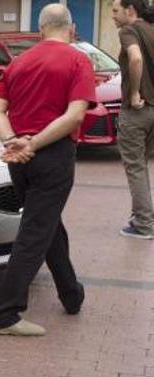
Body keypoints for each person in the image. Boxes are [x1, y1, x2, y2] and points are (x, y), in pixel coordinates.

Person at [0, 4, 94, 337]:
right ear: (71, 28)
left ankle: (70, 293)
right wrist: (34, 143)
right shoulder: (78, 60)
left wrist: (14, 140)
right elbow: (75, 115)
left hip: (22, 161)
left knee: (45, 224)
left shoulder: (19, 62)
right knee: (35, 232)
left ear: (41, 28)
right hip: (53, 155)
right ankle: (4, 314)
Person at [112, 0, 154, 239]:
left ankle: (144, 224)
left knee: (136, 168)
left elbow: (135, 59)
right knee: (142, 166)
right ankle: (144, 214)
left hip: (137, 110)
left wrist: (135, 91)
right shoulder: (151, 28)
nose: (113, 17)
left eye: (116, 11)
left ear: (130, 10)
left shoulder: (129, 30)